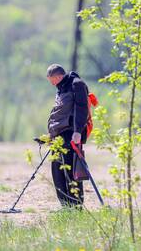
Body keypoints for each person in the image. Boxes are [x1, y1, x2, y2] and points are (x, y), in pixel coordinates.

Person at [46, 63, 89, 208]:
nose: (51, 84)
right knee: (57, 171)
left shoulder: (77, 84)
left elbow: (82, 109)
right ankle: (65, 206)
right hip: (59, 136)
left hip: (71, 135)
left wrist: (77, 132)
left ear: (58, 76)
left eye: (52, 80)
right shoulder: (61, 89)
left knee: (72, 172)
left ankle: (76, 206)